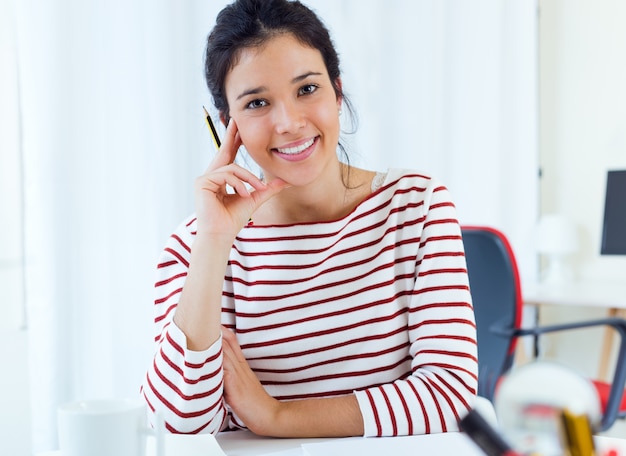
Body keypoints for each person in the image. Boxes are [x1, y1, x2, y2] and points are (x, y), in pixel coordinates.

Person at [141, 0, 477, 439]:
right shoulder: (196, 243)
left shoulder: (415, 205)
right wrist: (214, 241)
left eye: (307, 89)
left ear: (337, 93)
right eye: (258, 102)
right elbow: (177, 423)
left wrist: (275, 417)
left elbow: (450, 395)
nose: (289, 123)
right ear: (229, 125)